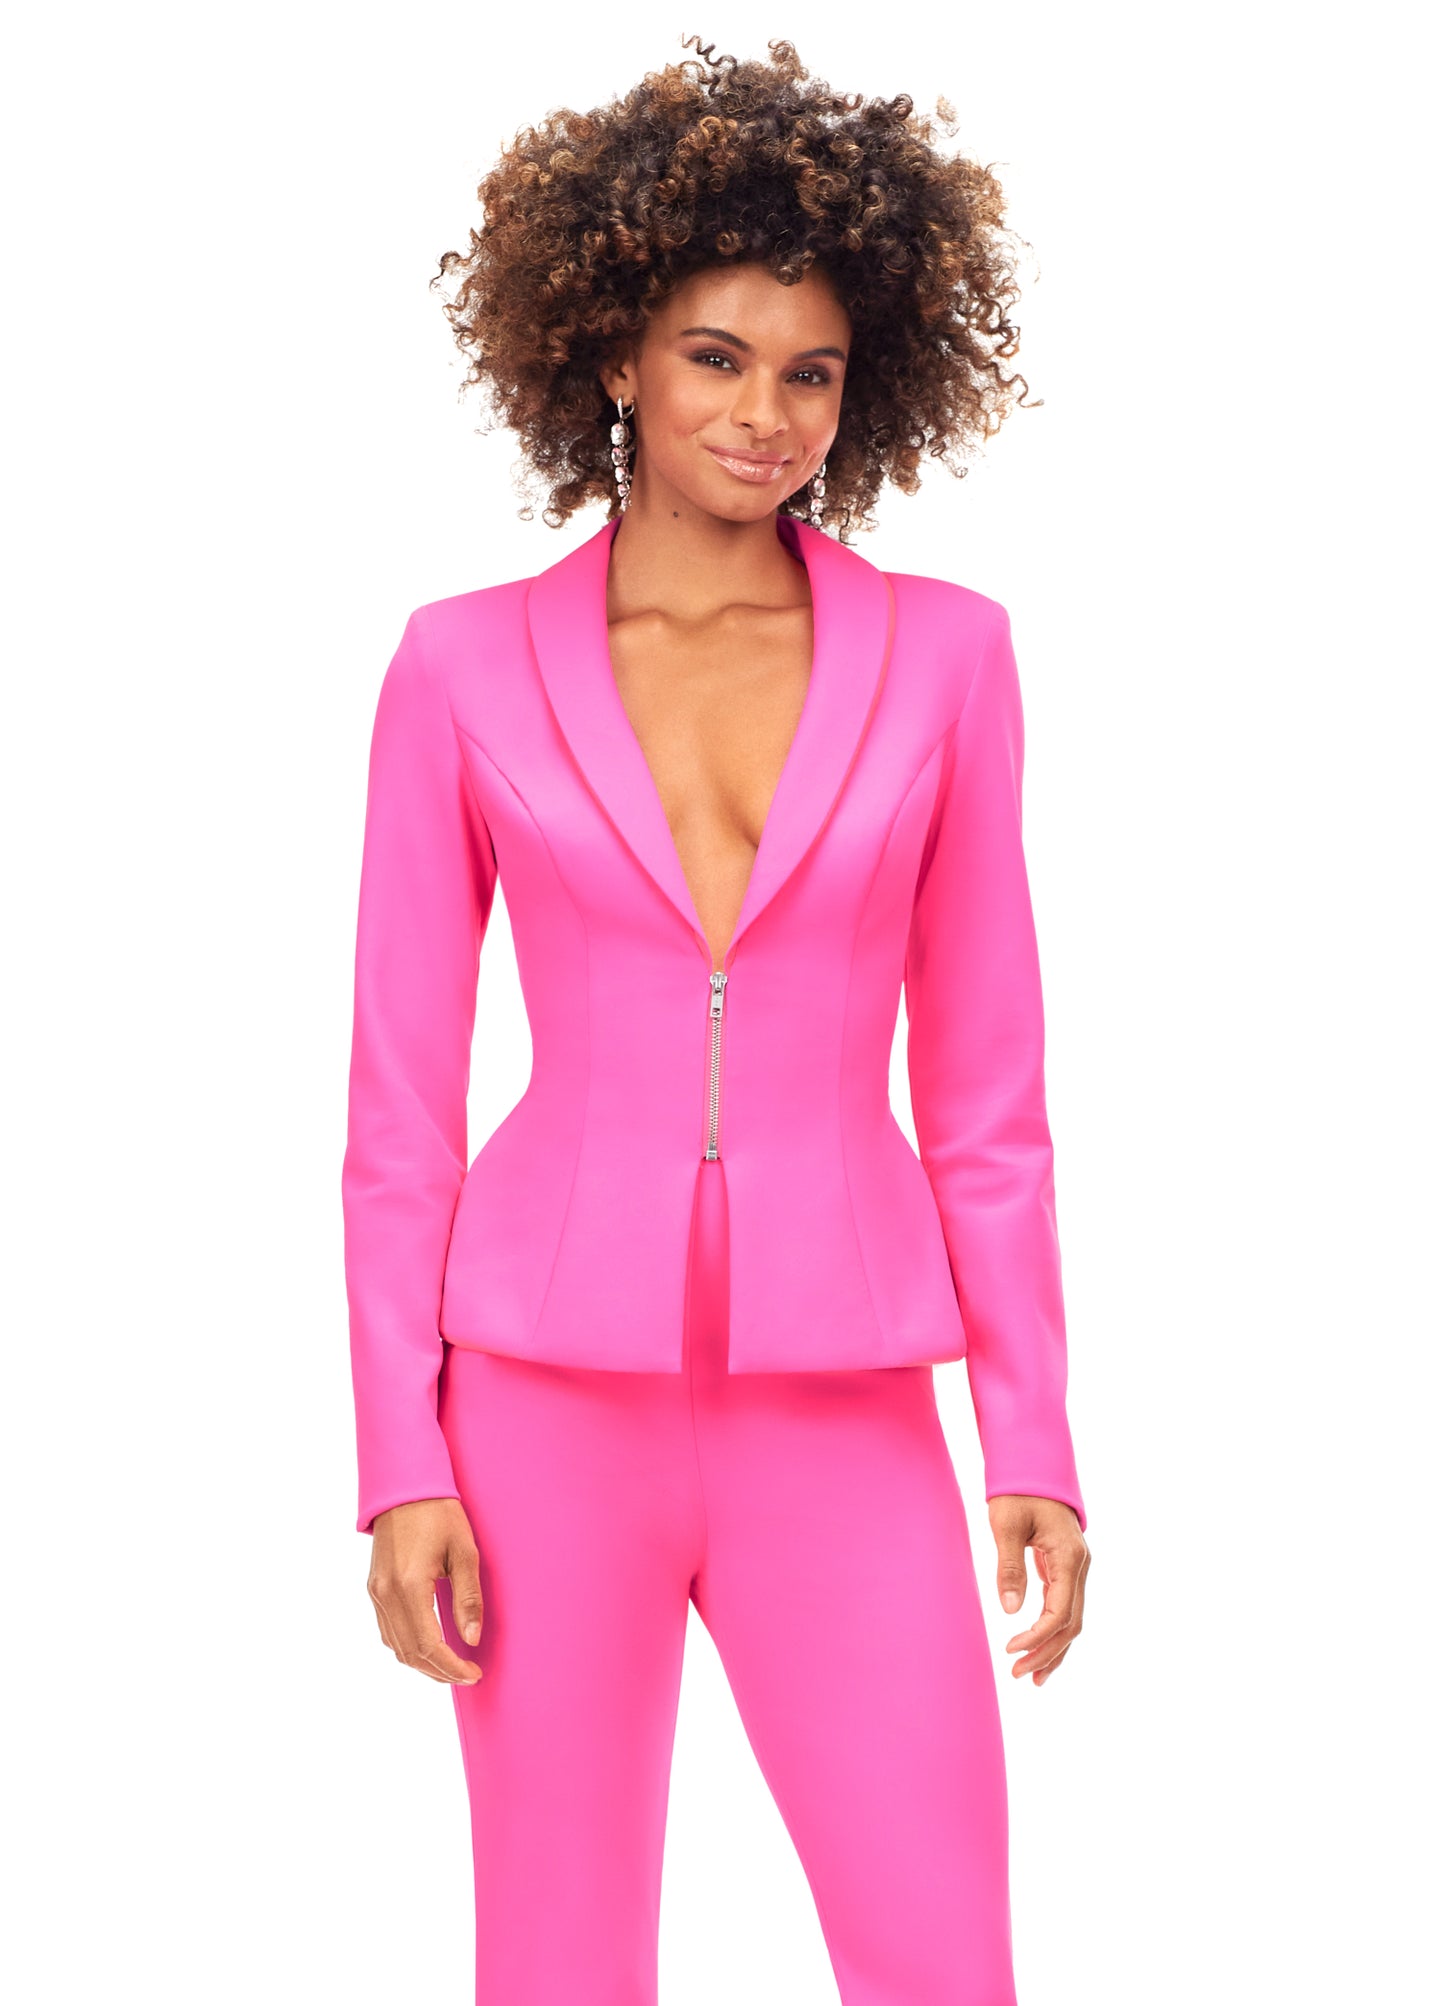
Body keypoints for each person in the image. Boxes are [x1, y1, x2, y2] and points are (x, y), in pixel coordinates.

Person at [341, 36, 1091, 2005]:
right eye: (715, 357)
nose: (766, 416)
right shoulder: (455, 670)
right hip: (534, 1401)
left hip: (843, 1401)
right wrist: (399, 1457)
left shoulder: (949, 658)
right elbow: (399, 1112)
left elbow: (989, 1091)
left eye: (811, 372)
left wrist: (1030, 1428)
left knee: (939, 1955)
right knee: (558, 1961)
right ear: (612, 355)